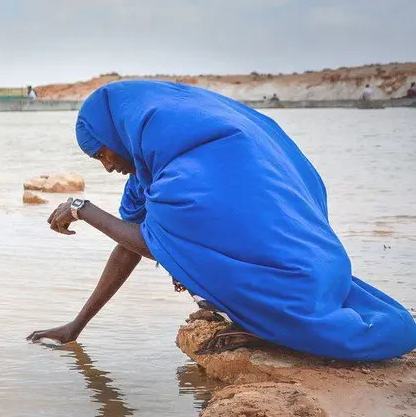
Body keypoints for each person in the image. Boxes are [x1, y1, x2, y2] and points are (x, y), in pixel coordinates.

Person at [27, 81, 416, 361]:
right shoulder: (151, 168)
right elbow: (129, 246)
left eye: (103, 155)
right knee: (181, 246)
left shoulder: (192, 167)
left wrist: (83, 209)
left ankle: (263, 326)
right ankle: (254, 317)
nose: (108, 165)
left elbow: (155, 243)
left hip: (295, 282)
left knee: (183, 248)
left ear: (121, 134)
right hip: (312, 274)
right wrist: (77, 326)